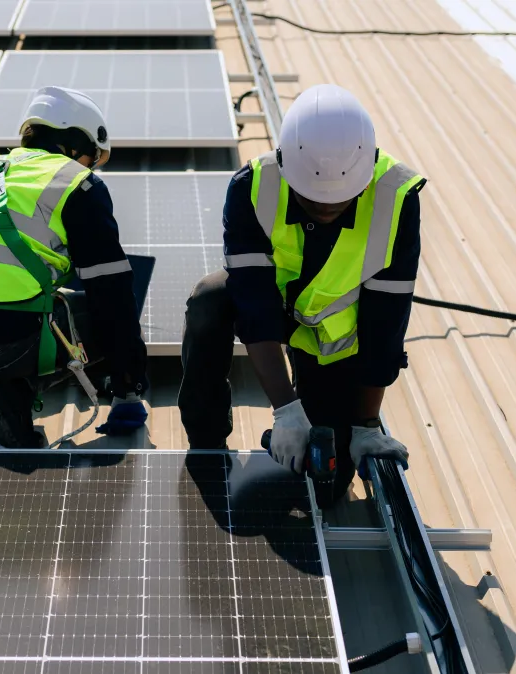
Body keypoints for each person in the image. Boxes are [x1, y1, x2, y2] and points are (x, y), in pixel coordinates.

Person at [178, 84, 424, 498]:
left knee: (325, 487)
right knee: (210, 298)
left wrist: (366, 426)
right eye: (311, 198)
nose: (326, 207)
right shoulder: (252, 189)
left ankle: (340, 423)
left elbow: (386, 319)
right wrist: (286, 409)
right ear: (286, 165)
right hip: (273, 312)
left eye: (341, 199)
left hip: (332, 340)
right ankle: (206, 441)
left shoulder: (397, 199)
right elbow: (253, 301)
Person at [0, 86, 149, 448]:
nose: (91, 167)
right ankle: (10, 390)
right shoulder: (75, 183)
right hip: (1, 345)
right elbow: (110, 293)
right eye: (92, 158)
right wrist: (129, 387)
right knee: (113, 295)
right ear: (77, 146)